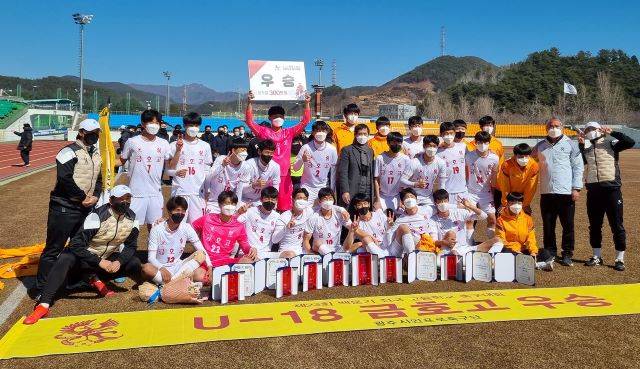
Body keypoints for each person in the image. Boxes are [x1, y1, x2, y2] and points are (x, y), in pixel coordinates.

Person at [24, 185, 141, 325]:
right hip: (84, 262)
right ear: (111, 200)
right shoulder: (96, 216)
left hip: (103, 262)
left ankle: (145, 285)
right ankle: (43, 304)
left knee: (133, 262)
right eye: (120, 199)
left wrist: (119, 262)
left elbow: (131, 246)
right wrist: (99, 262)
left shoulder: (133, 218)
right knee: (66, 258)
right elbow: (75, 245)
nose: (124, 202)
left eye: (127, 199)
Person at [35, 119, 102, 292]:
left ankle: (72, 280)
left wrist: (95, 196)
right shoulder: (67, 151)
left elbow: (99, 179)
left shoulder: (95, 153)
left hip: (85, 208)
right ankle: (41, 288)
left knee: (79, 246)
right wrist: (82, 197)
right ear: (81, 132)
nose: (95, 135)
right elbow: (65, 178)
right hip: (64, 207)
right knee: (54, 248)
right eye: (91, 131)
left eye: (97, 132)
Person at [579, 122, 635, 271]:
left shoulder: (611, 142)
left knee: (617, 225)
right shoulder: (586, 146)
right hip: (593, 191)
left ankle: (619, 258)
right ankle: (596, 256)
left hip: (612, 190)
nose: (590, 131)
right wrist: (580, 145)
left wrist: (613, 132)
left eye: (592, 129)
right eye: (587, 130)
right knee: (595, 225)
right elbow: (583, 162)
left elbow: (630, 142)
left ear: (599, 129)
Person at [245, 91, 311, 211]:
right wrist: (250, 102)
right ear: (269, 118)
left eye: (280, 116)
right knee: (268, 206)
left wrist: (306, 103)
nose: (278, 118)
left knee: (285, 207)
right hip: (268, 175)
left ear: (284, 118)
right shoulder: (264, 132)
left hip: (285, 175)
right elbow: (249, 122)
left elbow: (305, 121)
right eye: (275, 116)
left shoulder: (289, 132)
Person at [532, 118, 584, 267]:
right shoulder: (540, 146)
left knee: (567, 225)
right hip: (547, 192)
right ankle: (550, 251)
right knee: (548, 225)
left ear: (561, 127)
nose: (553, 128)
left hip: (566, 192)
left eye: (556, 126)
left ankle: (567, 253)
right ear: (545, 128)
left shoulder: (571, 145)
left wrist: (576, 188)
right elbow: (529, 160)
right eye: (550, 126)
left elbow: (578, 167)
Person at [120, 109, 172, 229]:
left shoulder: (164, 143)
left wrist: (179, 150)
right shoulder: (132, 142)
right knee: (131, 227)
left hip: (155, 193)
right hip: (136, 193)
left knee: (155, 227)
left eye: (157, 123)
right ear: (143, 124)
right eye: (151, 123)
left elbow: (171, 163)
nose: (155, 126)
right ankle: (129, 248)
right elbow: (120, 161)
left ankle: (153, 248)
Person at [141, 196, 210, 285]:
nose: (181, 213)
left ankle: (170, 283)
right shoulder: (157, 229)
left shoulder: (186, 227)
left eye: (183, 211)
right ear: (170, 212)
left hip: (179, 266)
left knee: (201, 254)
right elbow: (151, 258)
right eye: (177, 210)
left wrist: (210, 266)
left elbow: (201, 249)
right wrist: (162, 268)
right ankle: (178, 282)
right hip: (160, 268)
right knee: (146, 268)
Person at [167, 112, 213, 223]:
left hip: (198, 193)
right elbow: (168, 170)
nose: (194, 128)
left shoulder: (205, 146)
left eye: (196, 126)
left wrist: (207, 191)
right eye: (190, 125)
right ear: (184, 126)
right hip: (180, 191)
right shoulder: (173, 145)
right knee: (177, 225)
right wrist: (176, 172)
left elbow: (207, 170)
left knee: (196, 226)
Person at [191, 190, 258, 267]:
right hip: (206, 260)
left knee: (254, 260)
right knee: (197, 274)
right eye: (226, 203)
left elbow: (245, 245)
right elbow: (191, 229)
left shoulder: (238, 226)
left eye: (233, 204)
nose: (230, 206)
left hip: (225, 262)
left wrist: (251, 249)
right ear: (220, 205)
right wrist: (197, 244)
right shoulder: (207, 218)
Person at [430, 189, 490, 255]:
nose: (443, 204)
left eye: (445, 201)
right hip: (446, 251)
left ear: (448, 201)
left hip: (463, 249)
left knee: (496, 240)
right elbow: (434, 241)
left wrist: (469, 206)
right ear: (435, 203)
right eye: (440, 202)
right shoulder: (433, 220)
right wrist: (444, 242)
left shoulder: (458, 212)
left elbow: (483, 216)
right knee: (451, 234)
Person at [293, 120, 338, 205]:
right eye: (317, 130)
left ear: (327, 132)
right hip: (307, 187)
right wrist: (302, 160)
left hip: (323, 187)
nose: (320, 133)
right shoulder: (305, 147)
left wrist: (332, 189)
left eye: (323, 131)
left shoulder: (332, 149)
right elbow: (295, 168)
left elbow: (334, 171)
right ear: (313, 133)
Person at [401, 134, 448, 214]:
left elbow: (442, 184)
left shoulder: (441, 163)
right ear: (424, 146)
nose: (432, 149)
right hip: (413, 196)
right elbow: (402, 180)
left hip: (428, 197)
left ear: (437, 147)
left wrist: (441, 199)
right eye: (429, 146)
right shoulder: (414, 162)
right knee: (412, 217)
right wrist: (415, 184)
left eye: (434, 146)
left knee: (430, 215)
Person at [466, 131, 499, 238]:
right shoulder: (469, 156)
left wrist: (493, 193)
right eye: (479, 142)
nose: (482, 145)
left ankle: (491, 244)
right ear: (475, 142)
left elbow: (494, 177)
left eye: (485, 142)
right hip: (471, 192)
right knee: (469, 219)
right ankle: (469, 244)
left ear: (489, 143)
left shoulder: (495, 158)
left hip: (486, 193)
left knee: (492, 219)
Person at [383, 188, 435, 255]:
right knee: (404, 227)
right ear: (402, 202)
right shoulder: (400, 220)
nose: (410, 199)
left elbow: (441, 209)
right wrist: (389, 228)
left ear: (416, 199)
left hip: (424, 243)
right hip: (405, 247)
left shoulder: (427, 209)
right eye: (407, 197)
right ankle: (411, 257)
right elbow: (387, 243)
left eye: (412, 196)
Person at [203, 137, 248, 214]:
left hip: (229, 202)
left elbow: (239, 188)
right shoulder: (221, 159)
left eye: (246, 150)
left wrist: (236, 205)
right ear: (233, 150)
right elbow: (208, 177)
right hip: (214, 202)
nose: (245, 153)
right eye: (242, 150)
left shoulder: (246, 166)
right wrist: (222, 165)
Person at [303, 187, 352, 255]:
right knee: (316, 242)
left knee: (360, 244)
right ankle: (333, 257)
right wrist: (310, 254)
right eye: (325, 199)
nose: (328, 201)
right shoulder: (314, 217)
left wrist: (355, 229)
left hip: (337, 249)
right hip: (320, 250)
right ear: (320, 201)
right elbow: (306, 240)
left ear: (333, 200)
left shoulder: (339, 214)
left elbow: (353, 228)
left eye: (330, 198)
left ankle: (334, 256)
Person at [472, 116, 505, 212]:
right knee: (475, 212)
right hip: (477, 184)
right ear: (481, 127)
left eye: (490, 125)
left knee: (494, 211)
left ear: (493, 126)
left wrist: (498, 181)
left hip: (495, 184)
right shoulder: (472, 144)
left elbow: (501, 164)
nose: (488, 127)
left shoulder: (498, 144)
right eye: (486, 125)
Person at [337, 123, 375, 208]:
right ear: (355, 135)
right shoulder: (347, 150)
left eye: (365, 134)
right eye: (360, 134)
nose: (362, 136)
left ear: (368, 135)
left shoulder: (370, 151)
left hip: (367, 188)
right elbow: (343, 172)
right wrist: (345, 191)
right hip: (352, 189)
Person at [238, 186, 280, 259]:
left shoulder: (277, 216)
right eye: (267, 198)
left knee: (288, 255)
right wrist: (238, 213)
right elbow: (233, 223)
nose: (270, 201)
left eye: (273, 199)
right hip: (249, 252)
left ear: (276, 200)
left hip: (266, 253)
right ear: (261, 199)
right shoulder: (250, 211)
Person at [238, 139, 280, 208]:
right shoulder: (248, 164)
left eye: (271, 153)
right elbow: (240, 189)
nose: (269, 155)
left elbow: (275, 187)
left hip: (259, 201)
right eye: (266, 152)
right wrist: (253, 186)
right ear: (259, 152)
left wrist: (274, 205)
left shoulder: (275, 167)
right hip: (243, 199)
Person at [497, 143, 539, 214]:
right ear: (515, 155)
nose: (524, 159)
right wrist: (505, 203)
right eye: (521, 157)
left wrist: (525, 204)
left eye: (526, 156)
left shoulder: (534, 166)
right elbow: (505, 186)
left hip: (523, 194)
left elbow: (531, 187)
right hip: (509, 193)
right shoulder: (506, 165)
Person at [374, 132, 411, 211]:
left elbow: (406, 181)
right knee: (378, 214)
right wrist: (377, 199)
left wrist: (402, 199)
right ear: (388, 142)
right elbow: (376, 179)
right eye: (394, 142)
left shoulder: (406, 159)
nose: (396, 144)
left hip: (397, 196)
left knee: (401, 214)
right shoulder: (379, 158)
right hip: (382, 196)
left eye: (399, 142)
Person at [273, 188, 313, 258]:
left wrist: (339, 209)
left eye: (304, 199)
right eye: (299, 198)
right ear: (293, 199)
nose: (302, 201)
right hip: (286, 251)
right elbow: (274, 240)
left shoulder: (309, 211)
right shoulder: (284, 217)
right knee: (291, 255)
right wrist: (286, 228)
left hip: (301, 250)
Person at [495, 192, 538, 256]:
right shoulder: (500, 220)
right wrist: (515, 249)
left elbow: (531, 238)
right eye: (513, 203)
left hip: (523, 249)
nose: (517, 206)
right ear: (508, 203)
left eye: (519, 203)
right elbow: (501, 240)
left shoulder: (528, 219)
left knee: (545, 253)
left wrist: (533, 251)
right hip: (508, 250)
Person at [437, 121, 468, 203]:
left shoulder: (463, 147)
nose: (449, 136)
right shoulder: (437, 151)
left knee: (466, 215)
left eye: (451, 133)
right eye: (446, 134)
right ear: (441, 134)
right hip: (446, 191)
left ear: (454, 133)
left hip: (462, 190)